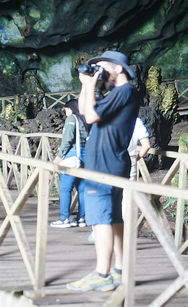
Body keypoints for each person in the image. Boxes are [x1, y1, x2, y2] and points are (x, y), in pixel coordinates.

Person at [67, 50, 139, 292]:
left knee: (100, 221)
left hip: (105, 165)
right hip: (110, 163)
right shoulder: (121, 93)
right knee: (114, 219)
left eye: (103, 67)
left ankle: (102, 275)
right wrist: (88, 84)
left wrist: (90, 84)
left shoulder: (124, 91)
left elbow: (90, 115)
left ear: (119, 68)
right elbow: (85, 113)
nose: (100, 72)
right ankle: (119, 271)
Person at [50, 99, 88, 228]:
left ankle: (64, 218)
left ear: (70, 108)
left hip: (73, 154)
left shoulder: (72, 118)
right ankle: (81, 218)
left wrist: (59, 156)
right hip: (85, 154)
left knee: (66, 188)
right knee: (82, 189)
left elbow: (67, 139)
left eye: (65, 109)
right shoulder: (86, 118)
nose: (65, 112)